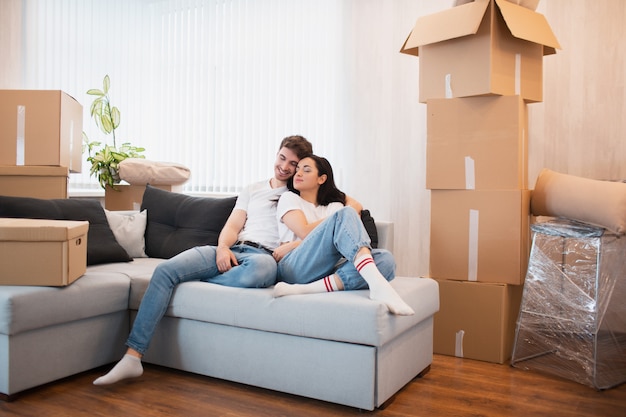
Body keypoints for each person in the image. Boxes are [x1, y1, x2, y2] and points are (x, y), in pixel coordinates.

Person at [93, 135, 314, 385]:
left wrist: (294, 245)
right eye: (282, 158)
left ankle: (194, 278)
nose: (285, 166)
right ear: (276, 154)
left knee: (263, 271)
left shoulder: (301, 196)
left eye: (293, 164)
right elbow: (233, 225)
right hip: (233, 249)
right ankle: (133, 357)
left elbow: (317, 227)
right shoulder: (253, 189)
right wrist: (221, 248)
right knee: (165, 271)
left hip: (262, 256)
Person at [272, 154, 414, 316]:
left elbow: (343, 228)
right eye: (297, 170)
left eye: (306, 170)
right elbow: (303, 231)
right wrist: (331, 225)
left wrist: (296, 243)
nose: (298, 174)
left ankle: (305, 289)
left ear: (321, 179)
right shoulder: (289, 198)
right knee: (345, 214)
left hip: (327, 268)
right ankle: (379, 286)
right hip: (295, 265)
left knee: (385, 259)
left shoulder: (334, 207)